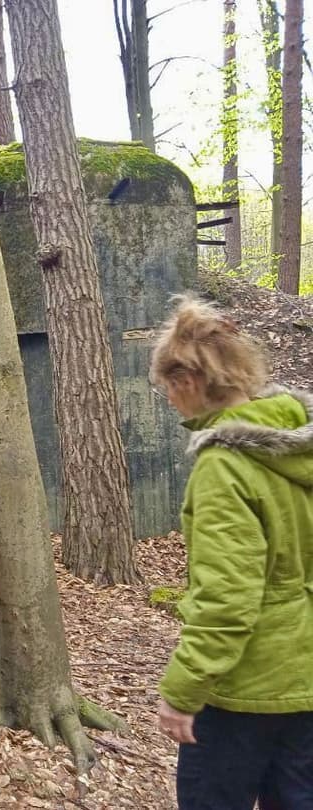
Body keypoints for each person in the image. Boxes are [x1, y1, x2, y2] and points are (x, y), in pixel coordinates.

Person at [151, 295, 313, 810]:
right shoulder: (299, 442)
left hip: (245, 691)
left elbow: (227, 599)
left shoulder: (224, 466)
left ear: (188, 382)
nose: (171, 401)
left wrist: (183, 690)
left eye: (168, 389)